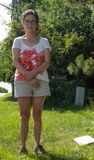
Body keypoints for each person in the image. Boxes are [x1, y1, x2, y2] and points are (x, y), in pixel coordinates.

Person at [12, 9, 51, 155]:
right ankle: (23, 147)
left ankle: (38, 145)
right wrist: (29, 77)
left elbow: (47, 62)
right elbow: (16, 62)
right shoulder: (17, 41)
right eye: (27, 21)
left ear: (37, 24)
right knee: (24, 115)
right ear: (23, 23)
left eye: (33, 21)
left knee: (37, 114)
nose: (30, 24)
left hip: (41, 81)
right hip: (22, 81)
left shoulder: (44, 41)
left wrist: (33, 75)